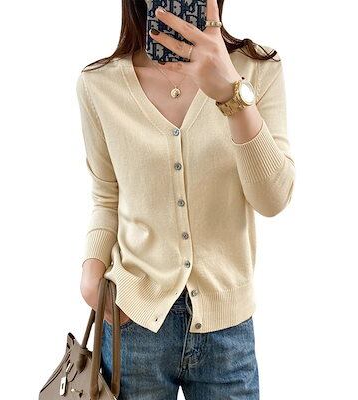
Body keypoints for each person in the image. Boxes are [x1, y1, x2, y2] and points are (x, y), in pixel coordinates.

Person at [76, 0, 295, 398]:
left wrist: (232, 95)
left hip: (227, 331)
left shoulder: (257, 69)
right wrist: (91, 276)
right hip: (132, 322)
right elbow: (107, 195)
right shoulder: (99, 84)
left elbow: (273, 199)